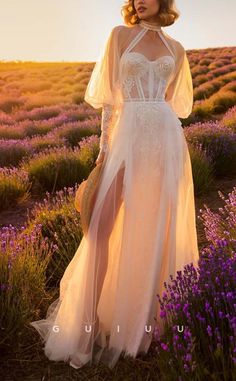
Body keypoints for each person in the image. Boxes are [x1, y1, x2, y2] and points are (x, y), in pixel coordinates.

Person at [30, 0, 200, 370]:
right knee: (101, 227)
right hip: (126, 139)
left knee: (154, 229)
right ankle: (87, 326)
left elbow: (173, 104)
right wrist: (103, 153)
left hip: (166, 142)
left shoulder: (178, 49)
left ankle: (143, 323)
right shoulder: (119, 36)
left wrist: (159, 128)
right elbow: (109, 102)